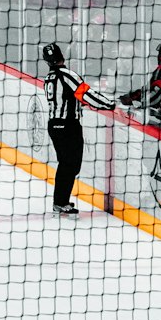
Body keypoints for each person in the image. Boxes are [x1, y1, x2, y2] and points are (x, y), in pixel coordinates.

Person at [42, 42, 114, 216]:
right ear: (62, 56)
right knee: (71, 165)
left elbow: (69, 97)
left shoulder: (49, 78)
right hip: (68, 126)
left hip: (54, 125)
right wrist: (110, 104)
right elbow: (87, 95)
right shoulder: (67, 75)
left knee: (66, 165)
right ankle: (60, 202)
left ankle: (60, 201)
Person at [118, 37, 161, 134]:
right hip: (159, 116)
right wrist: (132, 96)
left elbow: (156, 96)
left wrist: (138, 101)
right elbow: (147, 89)